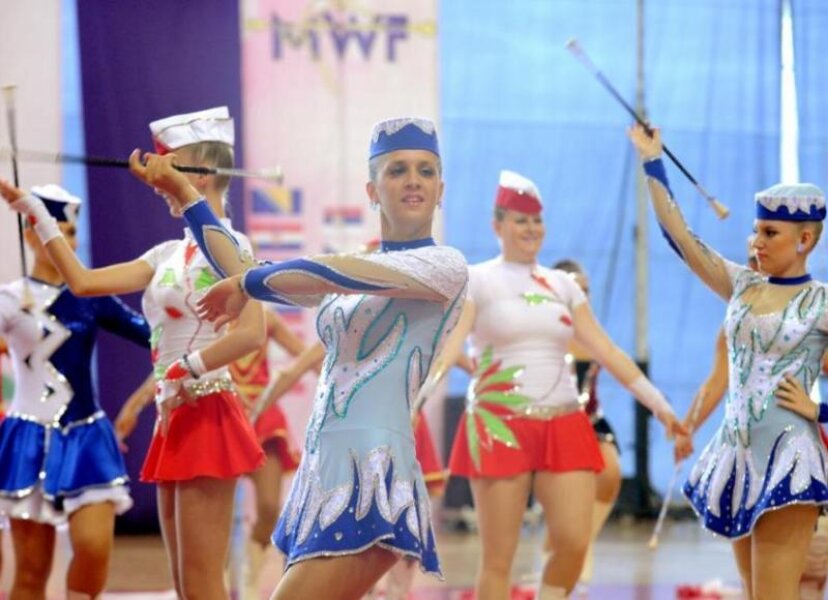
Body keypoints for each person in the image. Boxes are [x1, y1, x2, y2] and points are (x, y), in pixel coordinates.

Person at [127, 116, 469, 600]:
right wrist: (184, 193)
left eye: (426, 171)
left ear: (441, 190)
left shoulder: (444, 265)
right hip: (322, 477)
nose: (413, 180)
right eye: (397, 170)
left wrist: (247, 282)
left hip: (374, 476)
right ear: (372, 191)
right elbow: (244, 266)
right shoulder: (347, 271)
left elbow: (312, 273)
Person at [0, 107, 266, 599]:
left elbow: (253, 333)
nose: (157, 180)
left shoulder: (231, 246)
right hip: (175, 413)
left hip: (208, 409)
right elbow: (83, 283)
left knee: (203, 583)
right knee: (185, 585)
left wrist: (187, 368)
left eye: (170, 163)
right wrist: (37, 214)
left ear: (201, 174)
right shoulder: (166, 254)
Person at [418, 170, 683, 600]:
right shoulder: (476, 279)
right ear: (497, 225)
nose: (531, 229)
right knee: (498, 560)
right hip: (498, 425)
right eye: (520, 220)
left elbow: (607, 350)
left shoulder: (562, 285)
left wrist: (661, 407)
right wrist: (420, 394)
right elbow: (448, 348)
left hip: (563, 422)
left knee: (574, 542)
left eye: (537, 220)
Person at [629, 122, 828, 600]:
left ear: (805, 239)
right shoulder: (741, 285)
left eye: (770, 232)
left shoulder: (821, 303)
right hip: (736, 455)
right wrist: (652, 161)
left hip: (789, 457)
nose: (756, 241)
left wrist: (819, 411)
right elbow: (680, 238)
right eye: (756, 230)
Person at [0, 184, 151, 599]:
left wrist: (188, 319)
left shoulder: (91, 296)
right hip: (27, 440)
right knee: (32, 571)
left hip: (87, 437)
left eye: (70, 232)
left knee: (94, 547)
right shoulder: (9, 299)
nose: (64, 240)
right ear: (30, 234)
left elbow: (155, 339)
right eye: (53, 229)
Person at [550, 258, 622, 590]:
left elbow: (621, 367)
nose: (581, 295)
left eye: (586, 290)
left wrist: (660, 407)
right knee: (565, 496)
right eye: (573, 288)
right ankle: (559, 552)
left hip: (590, 419)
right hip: (553, 422)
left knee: (610, 471)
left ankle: (583, 544)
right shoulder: (544, 331)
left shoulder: (592, 331)